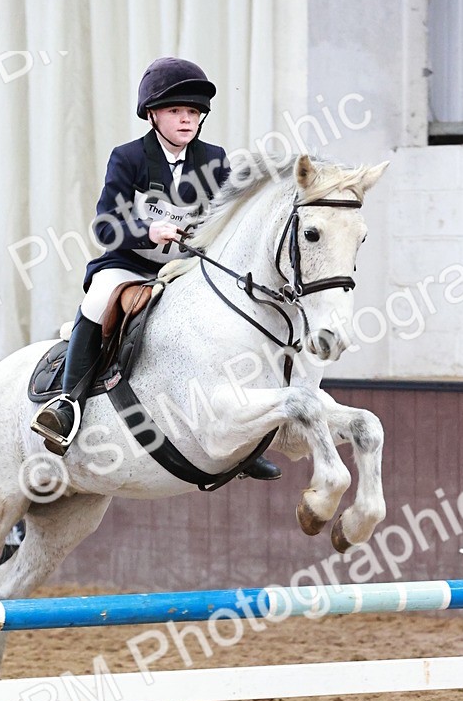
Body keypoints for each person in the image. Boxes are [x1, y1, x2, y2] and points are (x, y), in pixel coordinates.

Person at [31, 56, 281, 480]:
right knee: (97, 301)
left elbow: (227, 217)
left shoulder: (214, 158)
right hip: (129, 262)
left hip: (186, 267)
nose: (187, 120)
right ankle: (67, 403)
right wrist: (149, 231)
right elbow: (105, 225)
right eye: (176, 111)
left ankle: (241, 431)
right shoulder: (128, 157)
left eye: (194, 112)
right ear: (152, 115)